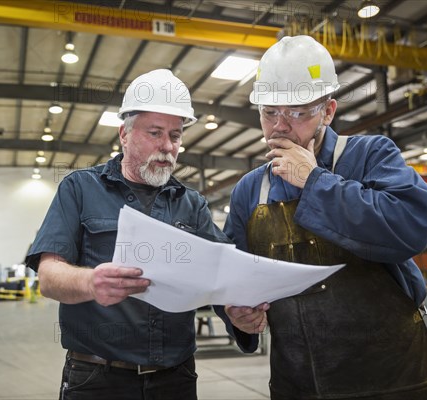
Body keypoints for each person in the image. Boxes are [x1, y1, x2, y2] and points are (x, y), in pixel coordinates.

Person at [220, 35, 427, 399]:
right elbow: (229, 275)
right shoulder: (250, 191)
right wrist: (236, 314)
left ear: (328, 111)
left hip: (395, 380)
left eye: (296, 112)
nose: (279, 126)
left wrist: (315, 182)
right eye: (269, 112)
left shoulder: (370, 155)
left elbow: (409, 227)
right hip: (299, 384)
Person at [25, 69, 267, 400]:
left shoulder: (191, 204)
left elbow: (224, 273)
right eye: (155, 133)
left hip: (176, 379)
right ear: (124, 134)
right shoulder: (80, 189)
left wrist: (239, 311)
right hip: (98, 380)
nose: (167, 146)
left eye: (176, 135)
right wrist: (90, 283)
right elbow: (49, 276)